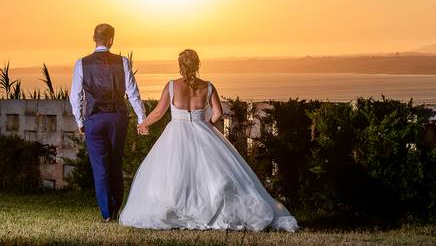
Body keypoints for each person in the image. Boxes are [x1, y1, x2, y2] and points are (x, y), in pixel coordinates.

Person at [119, 49, 298, 231]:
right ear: (197, 65)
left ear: (180, 66)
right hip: (202, 131)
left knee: (175, 173)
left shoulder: (172, 86)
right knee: (208, 174)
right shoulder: (208, 86)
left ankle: (179, 209)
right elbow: (218, 113)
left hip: (176, 134)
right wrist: (206, 124)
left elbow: (158, 112)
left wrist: (144, 124)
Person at [70, 23, 146, 222]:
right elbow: (133, 93)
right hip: (117, 119)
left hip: (93, 120)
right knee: (115, 163)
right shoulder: (122, 62)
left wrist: (80, 121)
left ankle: (107, 213)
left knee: (100, 168)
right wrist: (141, 118)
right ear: (111, 40)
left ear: (94, 38)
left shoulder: (81, 63)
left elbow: (74, 96)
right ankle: (116, 208)